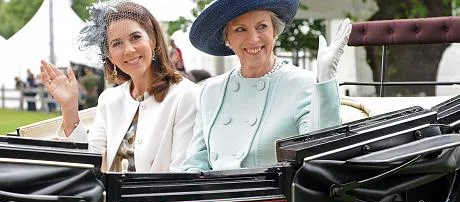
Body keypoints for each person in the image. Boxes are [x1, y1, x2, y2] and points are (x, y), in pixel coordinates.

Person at [181, 0, 351, 172]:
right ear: (227, 40)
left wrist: (325, 77)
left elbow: (320, 151)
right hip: (218, 196)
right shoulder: (211, 90)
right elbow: (195, 164)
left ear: (275, 32)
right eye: (240, 29)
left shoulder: (303, 83)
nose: (254, 39)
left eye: (262, 27)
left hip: (272, 196)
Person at [40, 1, 199, 173]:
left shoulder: (186, 95)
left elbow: (182, 175)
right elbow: (89, 164)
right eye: (117, 43)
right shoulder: (109, 100)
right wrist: (69, 107)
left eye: (135, 37)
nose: (129, 50)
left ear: (152, 40)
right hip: (108, 198)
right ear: (109, 55)